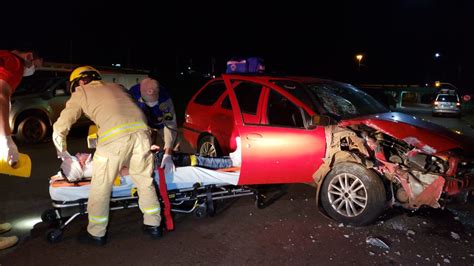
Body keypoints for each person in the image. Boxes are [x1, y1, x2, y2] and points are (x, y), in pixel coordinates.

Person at [52, 66, 162, 246]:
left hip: (114, 141)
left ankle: (96, 233)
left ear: (80, 81)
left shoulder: (81, 92)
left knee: (101, 186)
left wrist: (62, 152)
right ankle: (154, 225)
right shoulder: (118, 87)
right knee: (144, 180)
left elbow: (60, 127)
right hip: (142, 134)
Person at [0, 49, 42, 250]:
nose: (35, 69)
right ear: (30, 57)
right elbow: (0, 96)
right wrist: (7, 139)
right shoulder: (14, 63)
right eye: (37, 64)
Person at [129, 77, 178, 174]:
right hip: (143, 125)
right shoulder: (132, 95)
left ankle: (173, 160)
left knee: (174, 147)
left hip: (162, 125)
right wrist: (146, 143)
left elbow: (170, 124)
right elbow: (131, 122)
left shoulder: (165, 99)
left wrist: (168, 152)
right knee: (143, 150)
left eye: (154, 102)